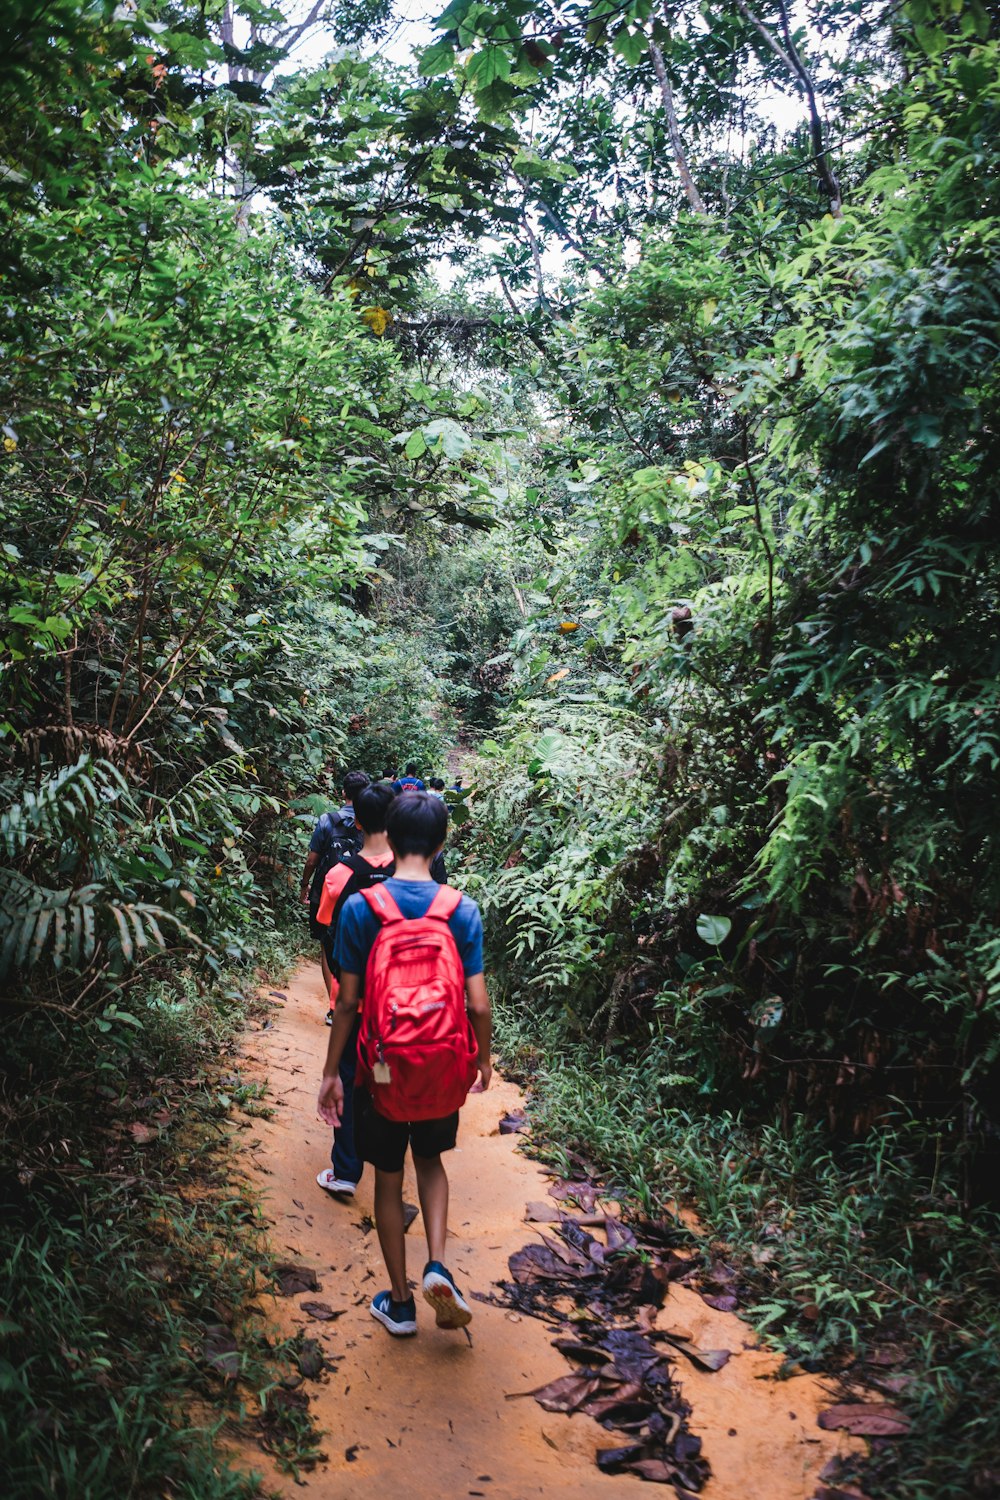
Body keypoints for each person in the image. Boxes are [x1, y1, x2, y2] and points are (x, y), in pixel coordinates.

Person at [317, 791, 492, 1338]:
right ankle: (438, 1264)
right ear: (441, 844)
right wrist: (483, 1060)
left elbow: (347, 1003)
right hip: (441, 1065)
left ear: (388, 839)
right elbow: (479, 1004)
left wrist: (330, 1074)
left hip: (384, 1067)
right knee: (432, 1162)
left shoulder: (361, 909)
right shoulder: (461, 910)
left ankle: (399, 1302)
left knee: (388, 1180)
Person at [313, 782, 397, 1194]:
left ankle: (345, 1171)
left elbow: (329, 931)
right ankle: (387, 1153)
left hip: (354, 1001)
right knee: (382, 1073)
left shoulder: (340, 874)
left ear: (357, 820)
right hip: (397, 1005)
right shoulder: (409, 874)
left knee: (347, 1076)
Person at [299, 770, 369, 998]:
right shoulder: (370, 823)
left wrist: (304, 885)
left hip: (328, 889)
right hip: (360, 890)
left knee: (326, 942)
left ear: (343, 793)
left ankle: (334, 1004)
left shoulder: (327, 821)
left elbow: (312, 860)